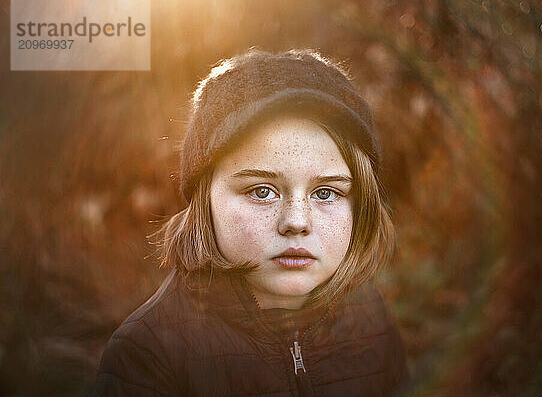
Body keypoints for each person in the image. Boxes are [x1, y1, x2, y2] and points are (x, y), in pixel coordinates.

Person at [92, 48, 410, 396]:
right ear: (205, 199)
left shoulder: (368, 316)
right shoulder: (148, 352)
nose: (296, 222)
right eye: (262, 191)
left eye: (325, 193)